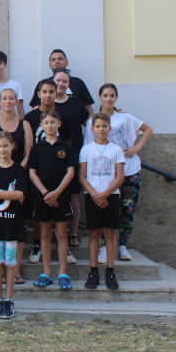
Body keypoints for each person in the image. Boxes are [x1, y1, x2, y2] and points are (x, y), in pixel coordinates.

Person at [85, 84, 153, 262]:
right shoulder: (94, 121)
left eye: (112, 95)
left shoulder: (125, 117)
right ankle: (103, 246)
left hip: (130, 169)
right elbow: (89, 148)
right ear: (100, 97)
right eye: (105, 95)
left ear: (116, 98)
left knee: (128, 208)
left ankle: (123, 245)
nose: (108, 98)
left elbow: (148, 129)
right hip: (105, 175)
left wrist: (137, 147)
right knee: (105, 209)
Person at [0, 88, 33, 284]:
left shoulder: (25, 124)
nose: (8, 101)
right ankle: (0, 271)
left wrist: (17, 171)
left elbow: (29, 152)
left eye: (12, 98)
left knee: (17, 225)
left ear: (16, 101)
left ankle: (15, 270)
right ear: (0, 101)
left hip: (18, 177)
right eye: (5, 98)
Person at [23, 79, 74, 265]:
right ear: (38, 94)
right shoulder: (30, 117)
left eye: (51, 91)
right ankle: (37, 245)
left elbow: (68, 142)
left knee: (61, 226)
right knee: (40, 216)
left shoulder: (64, 116)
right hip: (39, 173)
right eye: (44, 91)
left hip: (60, 175)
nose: (47, 95)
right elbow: (28, 145)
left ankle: (65, 249)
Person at [27, 110, 78, 291]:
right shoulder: (36, 148)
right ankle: (46, 273)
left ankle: (63, 273)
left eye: (53, 122)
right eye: (46, 122)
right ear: (41, 126)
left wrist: (56, 193)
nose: (50, 125)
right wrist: (46, 193)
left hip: (61, 197)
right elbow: (32, 172)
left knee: (62, 234)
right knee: (45, 233)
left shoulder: (67, 148)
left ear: (59, 124)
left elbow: (70, 172)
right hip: (42, 198)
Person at [0, 131, 28, 320]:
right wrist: (3, 195)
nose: (2, 149)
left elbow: (19, 195)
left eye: (6, 145)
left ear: (12, 146)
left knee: (10, 263)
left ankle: (9, 300)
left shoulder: (19, 170)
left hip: (13, 223)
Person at [80, 113, 125, 290]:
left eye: (104, 126)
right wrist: (95, 195)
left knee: (110, 233)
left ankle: (110, 271)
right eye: (98, 126)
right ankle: (93, 272)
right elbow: (82, 177)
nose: (101, 129)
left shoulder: (116, 150)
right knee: (94, 233)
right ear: (92, 129)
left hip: (111, 195)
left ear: (110, 128)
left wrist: (105, 194)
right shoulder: (86, 150)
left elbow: (119, 177)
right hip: (92, 196)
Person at [53, 68, 90, 250]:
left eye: (64, 81)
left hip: (74, 153)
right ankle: (54, 231)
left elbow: (90, 123)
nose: (61, 84)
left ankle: (73, 232)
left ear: (68, 84)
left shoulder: (75, 102)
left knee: (73, 193)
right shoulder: (47, 102)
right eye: (58, 80)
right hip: (51, 156)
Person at [29, 49, 95, 115]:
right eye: (53, 60)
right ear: (49, 65)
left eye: (60, 59)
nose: (57, 61)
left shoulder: (78, 82)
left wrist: (92, 120)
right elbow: (35, 108)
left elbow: (87, 107)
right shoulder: (43, 84)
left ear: (67, 62)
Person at [0, 51, 25, 119]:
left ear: (5, 65)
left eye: (0, 63)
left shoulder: (15, 85)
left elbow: (21, 110)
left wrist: (20, 123)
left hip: (13, 122)